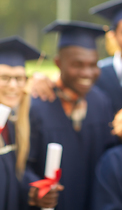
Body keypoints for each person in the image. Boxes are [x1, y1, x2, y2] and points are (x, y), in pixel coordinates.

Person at [23, 21, 115, 210]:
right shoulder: (37, 107)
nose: (87, 73)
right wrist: (35, 189)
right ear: (58, 63)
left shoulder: (101, 102)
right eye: (77, 65)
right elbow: (22, 163)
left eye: (93, 64)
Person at [0, 37, 42, 210]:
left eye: (19, 78)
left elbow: (16, 175)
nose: (13, 85)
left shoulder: (13, 124)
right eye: (4, 77)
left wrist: (35, 190)